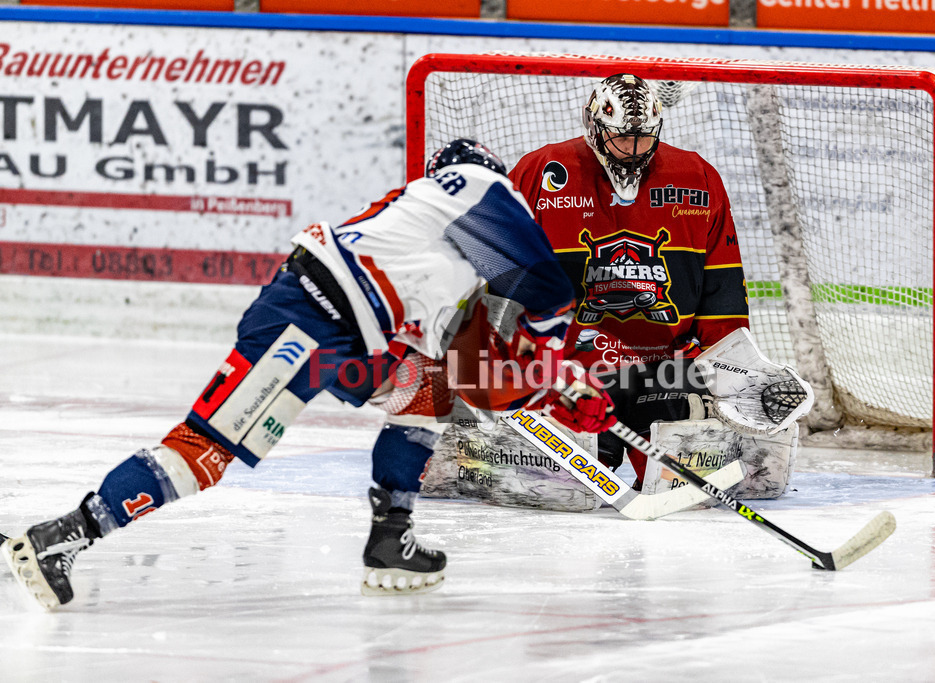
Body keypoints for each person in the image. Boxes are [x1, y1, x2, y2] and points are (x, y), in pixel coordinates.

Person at [1, 139, 614, 609]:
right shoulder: (477, 185)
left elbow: (469, 372)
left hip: (352, 334)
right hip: (312, 317)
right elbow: (548, 289)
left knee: (426, 395)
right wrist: (560, 371)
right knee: (204, 455)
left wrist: (550, 390)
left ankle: (389, 538)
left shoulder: (424, 249)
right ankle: (64, 534)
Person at [507, 73, 750, 486]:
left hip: (665, 371)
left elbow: (722, 287)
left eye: (643, 140)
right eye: (622, 139)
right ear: (595, 126)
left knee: (678, 471)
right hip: (573, 369)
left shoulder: (697, 177)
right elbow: (503, 281)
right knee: (558, 483)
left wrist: (732, 372)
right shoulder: (540, 172)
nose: (633, 152)